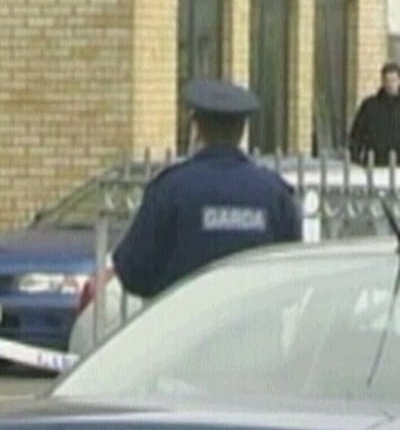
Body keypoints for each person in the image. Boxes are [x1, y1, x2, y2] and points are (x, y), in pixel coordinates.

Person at [112, 78, 302, 299]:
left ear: (198, 129)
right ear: (241, 131)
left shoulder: (171, 188)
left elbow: (132, 271)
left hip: (185, 325)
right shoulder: (274, 194)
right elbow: (292, 272)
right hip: (253, 326)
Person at [348, 61, 400, 166]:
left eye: (393, 80)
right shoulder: (370, 106)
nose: (390, 84)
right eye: (387, 80)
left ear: (399, 81)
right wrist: (356, 157)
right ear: (382, 81)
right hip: (374, 164)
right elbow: (357, 133)